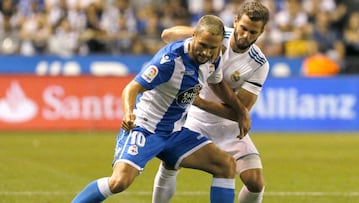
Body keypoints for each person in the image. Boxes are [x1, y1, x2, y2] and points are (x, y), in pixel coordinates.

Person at [71, 15, 250, 203]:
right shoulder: (170, 60)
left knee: (226, 166)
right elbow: (132, 88)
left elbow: (218, 83)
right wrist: (128, 112)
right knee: (119, 182)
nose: (206, 52)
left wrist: (240, 111)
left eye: (212, 48)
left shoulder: (215, 57)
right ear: (194, 35)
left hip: (175, 132)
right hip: (146, 128)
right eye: (202, 45)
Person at [153, 1, 270, 203]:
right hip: (194, 121)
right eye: (243, 28)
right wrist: (200, 34)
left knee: (255, 182)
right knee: (170, 163)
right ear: (235, 22)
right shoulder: (216, 36)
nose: (246, 36)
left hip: (227, 127)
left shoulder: (259, 63)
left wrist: (197, 101)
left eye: (253, 32)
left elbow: (237, 112)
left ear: (261, 32)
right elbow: (167, 35)